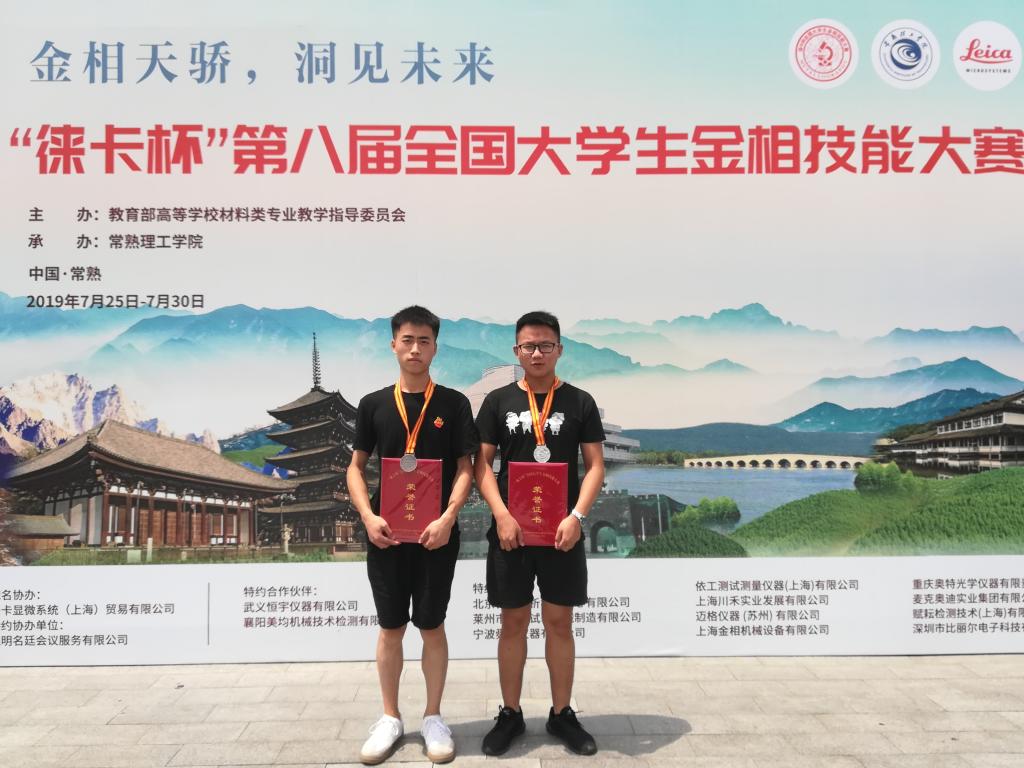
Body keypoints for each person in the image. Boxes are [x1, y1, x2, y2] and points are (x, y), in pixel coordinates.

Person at [347, 305, 478, 765]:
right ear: (393, 345)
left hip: (436, 536)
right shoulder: (373, 404)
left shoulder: (454, 404)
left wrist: (448, 518)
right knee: (390, 627)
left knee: (432, 625)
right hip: (385, 534)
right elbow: (355, 468)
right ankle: (389, 717)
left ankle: (433, 717)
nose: (415, 348)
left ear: (435, 347)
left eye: (424, 340)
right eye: (407, 340)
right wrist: (368, 516)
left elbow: (466, 468)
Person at [474, 310, 606, 756]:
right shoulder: (497, 402)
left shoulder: (580, 402)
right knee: (512, 622)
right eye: (528, 346)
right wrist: (500, 514)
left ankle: (562, 714)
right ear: (517, 350)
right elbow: (481, 465)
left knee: (559, 623)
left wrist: (577, 517)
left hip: (561, 534)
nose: (536, 353)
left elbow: (595, 467)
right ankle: (510, 714)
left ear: (559, 350)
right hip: (510, 533)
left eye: (545, 345)